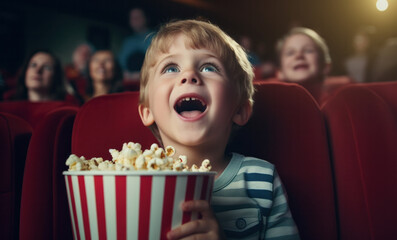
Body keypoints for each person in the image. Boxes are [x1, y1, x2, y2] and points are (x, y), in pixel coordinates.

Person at [138, 19, 300, 239]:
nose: (189, 75)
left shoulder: (262, 179)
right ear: (148, 111)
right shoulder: (132, 184)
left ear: (240, 111)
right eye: (171, 68)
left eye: (208, 67)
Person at [276, 27, 346, 103]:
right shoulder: (269, 104)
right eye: (290, 53)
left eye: (308, 50)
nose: (299, 55)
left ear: (326, 66)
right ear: (280, 71)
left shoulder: (343, 100)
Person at [8, 49, 76, 102]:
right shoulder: (7, 104)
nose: (37, 71)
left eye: (47, 67)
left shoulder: (68, 108)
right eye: (33, 65)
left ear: (56, 76)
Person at [119, 7, 155, 81]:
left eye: (138, 17)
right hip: (129, 82)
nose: (135, 20)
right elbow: (121, 65)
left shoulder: (156, 38)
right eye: (132, 18)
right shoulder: (127, 42)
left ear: (146, 19)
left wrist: (142, 75)